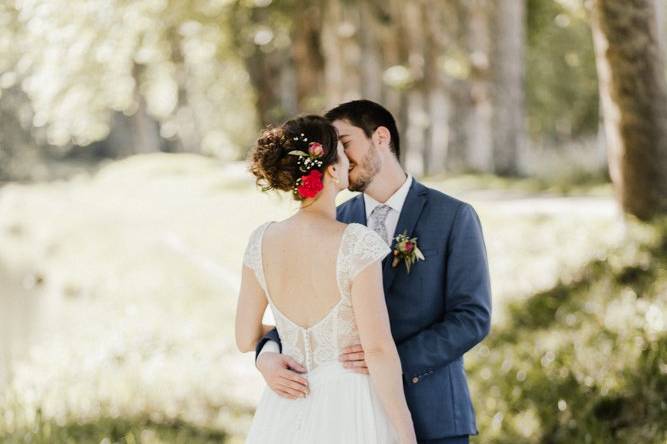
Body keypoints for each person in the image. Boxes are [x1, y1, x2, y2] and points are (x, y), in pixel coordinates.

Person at [255, 100, 492, 444]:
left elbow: (472, 317)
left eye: (344, 142)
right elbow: (308, 312)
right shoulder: (333, 221)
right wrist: (267, 355)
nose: (338, 156)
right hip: (351, 417)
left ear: (381, 137)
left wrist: (389, 359)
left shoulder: (453, 216)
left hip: (433, 411)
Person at [236, 114, 417, 443]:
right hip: (351, 403)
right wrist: (405, 429)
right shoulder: (356, 243)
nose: (349, 159)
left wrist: (275, 350)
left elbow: (245, 337)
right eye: (342, 153)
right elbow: (377, 349)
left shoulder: (261, 240)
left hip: (286, 404)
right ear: (332, 170)